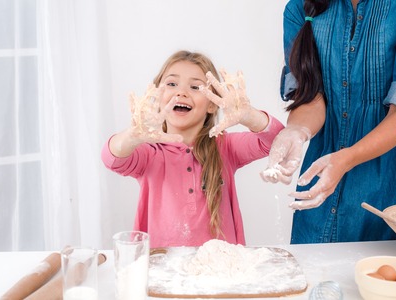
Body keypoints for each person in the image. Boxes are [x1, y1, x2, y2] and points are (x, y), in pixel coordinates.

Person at [261, 0, 396, 244]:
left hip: (394, 185)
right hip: (322, 185)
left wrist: (346, 158)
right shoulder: (298, 9)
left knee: (384, 276)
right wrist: (297, 131)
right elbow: (310, 99)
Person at [102, 50, 284, 248]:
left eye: (196, 87)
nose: (181, 92)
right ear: (157, 95)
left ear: (212, 105)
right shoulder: (149, 153)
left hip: (221, 272)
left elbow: (277, 141)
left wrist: (248, 115)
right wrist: (132, 136)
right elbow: (111, 158)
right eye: (171, 84)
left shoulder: (226, 147)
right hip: (162, 272)